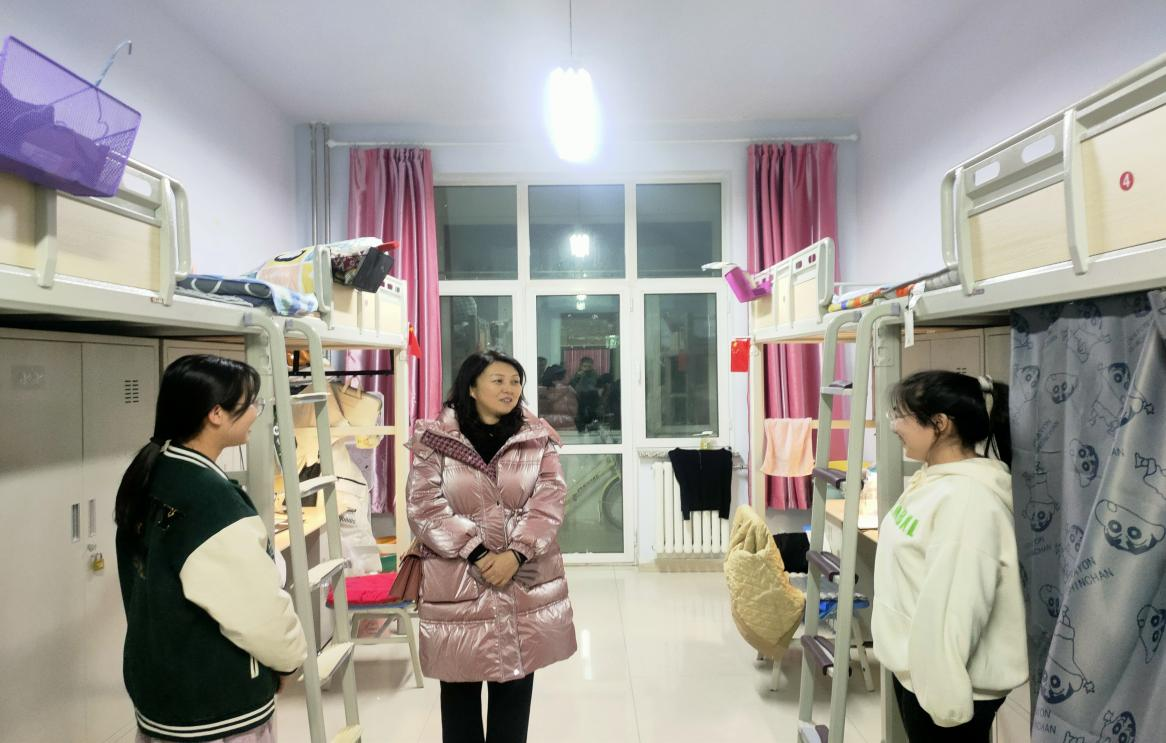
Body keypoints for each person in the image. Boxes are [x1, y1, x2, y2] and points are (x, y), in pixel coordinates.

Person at [114, 355, 307, 743]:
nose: (256, 413)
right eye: (250, 403)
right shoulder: (210, 502)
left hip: (163, 696)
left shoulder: (153, 473)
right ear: (216, 413)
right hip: (216, 705)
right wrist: (289, 660)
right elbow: (257, 610)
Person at [407, 350, 577, 743]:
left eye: (515, 382)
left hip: (522, 577)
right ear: (471, 387)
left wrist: (516, 553)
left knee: (515, 687)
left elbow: (549, 500)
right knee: (459, 693)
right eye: (498, 380)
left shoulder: (536, 438)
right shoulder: (435, 440)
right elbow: (424, 505)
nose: (509, 389)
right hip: (459, 579)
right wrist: (480, 554)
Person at [872, 370, 1027, 742]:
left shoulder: (968, 501)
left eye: (902, 416)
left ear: (940, 424)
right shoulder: (936, 479)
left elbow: (955, 608)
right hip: (918, 672)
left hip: (946, 688)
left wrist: (943, 703)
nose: (894, 426)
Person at [537, 364, 578, 432]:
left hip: (545, 430)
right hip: (568, 430)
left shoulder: (538, 392)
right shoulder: (570, 392)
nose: (569, 376)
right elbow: (574, 413)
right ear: (563, 378)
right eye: (566, 375)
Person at [570, 356, 600, 432]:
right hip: (580, 398)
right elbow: (572, 386)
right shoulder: (577, 374)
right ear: (581, 366)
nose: (587, 368)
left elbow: (596, 386)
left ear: (592, 366)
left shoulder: (595, 375)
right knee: (581, 417)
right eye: (585, 366)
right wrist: (578, 377)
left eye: (589, 366)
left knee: (592, 417)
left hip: (592, 399)